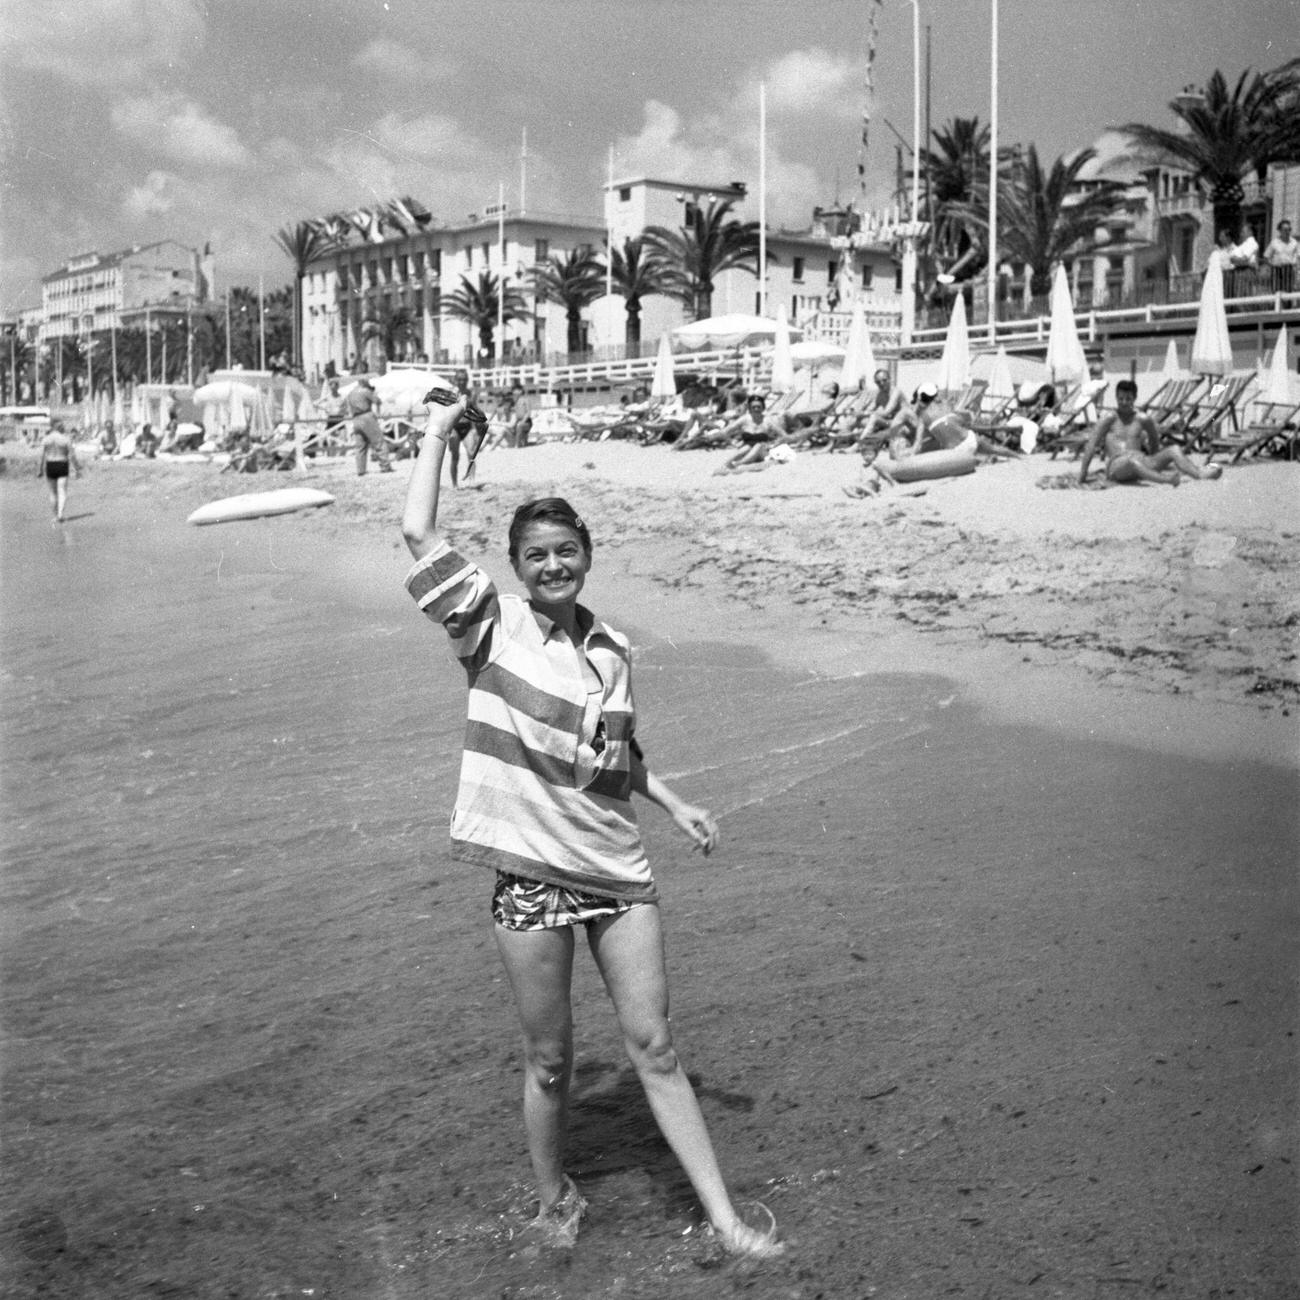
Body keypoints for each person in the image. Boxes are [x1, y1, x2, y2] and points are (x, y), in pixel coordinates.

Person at [400, 395, 784, 1260]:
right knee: (549, 1061)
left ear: (586, 558)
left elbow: (614, 753)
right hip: (532, 872)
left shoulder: (612, 645)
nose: (552, 566)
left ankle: (723, 1219)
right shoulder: (486, 625)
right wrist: (434, 432)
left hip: (615, 863)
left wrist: (672, 799)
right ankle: (553, 1199)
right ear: (515, 565)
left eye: (566, 552)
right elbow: (420, 533)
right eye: (535, 555)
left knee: (655, 1044)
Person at [1078, 378, 1222, 486]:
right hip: (1117, 466)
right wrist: (1083, 475)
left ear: (1134, 398)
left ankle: (1199, 474)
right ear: (1116, 398)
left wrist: (1155, 460)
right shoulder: (1109, 418)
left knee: (1174, 449)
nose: (1123, 402)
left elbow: (1154, 441)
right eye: (1120, 398)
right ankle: (1167, 480)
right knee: (1131, 461)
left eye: (1128, 399)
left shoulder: (1143, 419)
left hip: (1141, 460)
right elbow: (1091, 445)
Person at [345, 376, 392, 475]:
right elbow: (377, 401)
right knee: (379, 442)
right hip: (367, 416)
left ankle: (360, 470)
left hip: (355, 419)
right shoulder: (365, 391)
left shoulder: (350, 393)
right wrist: (374, 393)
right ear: (365, 384)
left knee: (360, 446)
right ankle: (385, 466)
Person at [37, 421, 81, 522]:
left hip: (50, 464)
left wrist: (39, 469)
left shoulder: (46, 439)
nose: (64, 429)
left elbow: (41, 456)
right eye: (63, 427)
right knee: (62, 491)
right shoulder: (65, 439)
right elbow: (72, 455)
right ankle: (61, 514)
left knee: (52, 493)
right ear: (60, 428)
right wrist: (77, 468)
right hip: (62, 464)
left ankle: (55, 516)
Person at [1263, 218, 1297, 294]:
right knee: (1276, 291)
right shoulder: (1274, 242)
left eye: (1289, 229)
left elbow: (1298, 257)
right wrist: (1272, 265)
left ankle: (1288, 305)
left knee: (1288, 292)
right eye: (1285, 230)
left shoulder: (1294, 243)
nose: (1287, 232)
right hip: (1277, 270)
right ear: (1280, 231)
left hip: (1289, 270)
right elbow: (1266, 256)